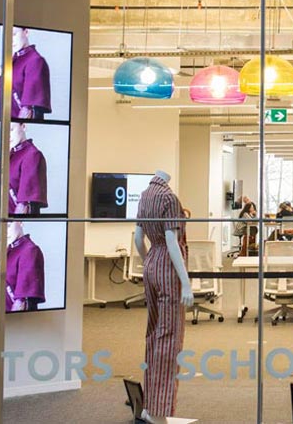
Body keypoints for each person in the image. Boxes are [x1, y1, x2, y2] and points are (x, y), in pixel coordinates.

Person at [135, 170, 193, 424]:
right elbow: (172, 240)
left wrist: (148, 261)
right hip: (168, 267)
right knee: (170, 338)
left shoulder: (145, 195)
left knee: (153, 334)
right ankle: (159, 411)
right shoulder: (169, 198)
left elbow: (138, 238)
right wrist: (186, 282)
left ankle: (149, 405)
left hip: (150, 263)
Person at [0, 122, 48, 216]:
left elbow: (27, 202)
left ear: (23, 127)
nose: (7, 135)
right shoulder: (7, 156)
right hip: (1, 222)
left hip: (13, 222)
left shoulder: (32, 155)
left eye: (11, 130)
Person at [0, 220, 45, 312]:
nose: (4, 231)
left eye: (8, 226)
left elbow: (22, 301)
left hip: (14, 322)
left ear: (20, 222)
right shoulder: (7, 250)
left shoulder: (30, 250)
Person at [0, 27, 52, 119]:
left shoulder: (35, 61)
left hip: (17, 127)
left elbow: (29, 108)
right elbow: (0, 101)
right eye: (7, 36)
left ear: (26, 32)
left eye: (14, 34)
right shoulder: (11, 61)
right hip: (5, 126)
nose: (10, 40)